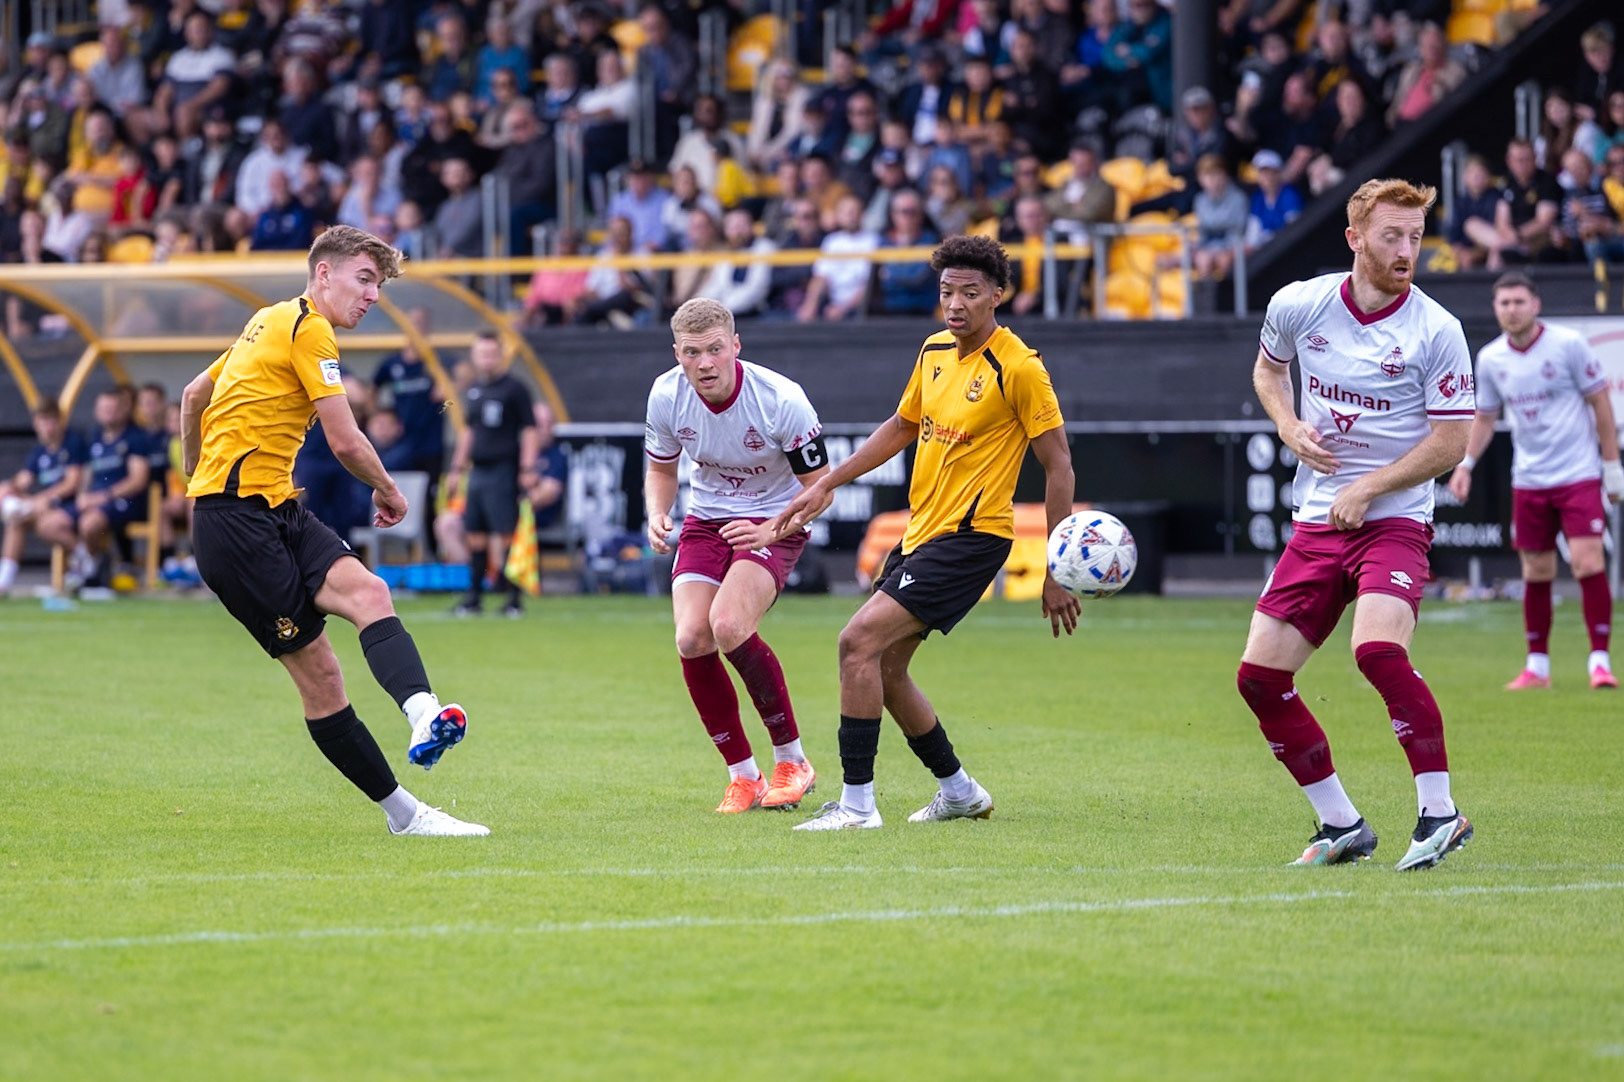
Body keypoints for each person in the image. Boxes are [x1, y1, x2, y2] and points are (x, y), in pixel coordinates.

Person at [180, 225, 486, 837]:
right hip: (235, 529)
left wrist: (194, 470)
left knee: (371, 592)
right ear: (324, 273)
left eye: (379, 285)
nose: (373, 295)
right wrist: (390, 490)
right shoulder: (308, 327)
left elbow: (193, 397)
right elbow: (345, 440)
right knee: (321, 677)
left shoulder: (269, 318)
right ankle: (406, 815)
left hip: (276, 507)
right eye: (365, 279)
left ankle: (425, 715)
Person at [774, 236, 1078, 830]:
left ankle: (858, 806)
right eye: (947, 291)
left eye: (970, 292)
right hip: (922, 534)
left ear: (997, 294)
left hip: (973, 538)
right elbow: (901, 426)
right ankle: (959, 791)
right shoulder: (935, 350)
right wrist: (827, 482)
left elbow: (1059, 465)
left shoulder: (1019, 368)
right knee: (884, 668)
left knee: (854, 642)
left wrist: (1057, 571)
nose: (956, 303)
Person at [1241, 178, 1475, 871]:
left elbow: (1452, 441)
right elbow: (1267, 371)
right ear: (1355, 239)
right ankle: (1340, 824)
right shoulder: (1299, 303)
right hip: (1318, 519)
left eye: (1416, 236)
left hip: (1395, 518)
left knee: (1376, 651)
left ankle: (1440, 811)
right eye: (1392, 236)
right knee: (1259, 679)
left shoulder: (1436, 329)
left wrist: (1370, 486)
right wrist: (1287, 425)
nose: (1407, 250)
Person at [644, 298, 827, 813]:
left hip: (778, 518)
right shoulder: (666, 395)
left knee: (728, 625)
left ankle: (793, 761)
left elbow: (821, 488)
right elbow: (661, 469)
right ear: (677, 353)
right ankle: (744, 776)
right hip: (706, 519)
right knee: (691, 637)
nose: (705, 363)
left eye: (715, 350)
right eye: (692, 352)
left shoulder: (781, 399)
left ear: (736, 347)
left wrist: (771, 529)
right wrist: (658, 513)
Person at [1448, 273, 1622, 690]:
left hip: (1578, 473)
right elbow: (1485, 418)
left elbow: (1599, 401)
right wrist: (1466, 463)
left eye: (1518, 301)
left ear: (1535, 304)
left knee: (1587, 562)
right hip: (1529, 478)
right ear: (1495, 309)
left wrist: (1611, 465)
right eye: (1503, 303)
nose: (1511, 309)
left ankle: (1599, 661)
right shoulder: (1490, 359)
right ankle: (1537, 667)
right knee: (1537, 569)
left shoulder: (1567, 346)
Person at [448, 330, 538, 617]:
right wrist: (457, 467)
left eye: (491, 353)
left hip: (504, 469)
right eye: (481, 353)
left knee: (505, 534)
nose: (486, 359)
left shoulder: (515, 389)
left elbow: (530, 430)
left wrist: (527, 467)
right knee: (474, 534)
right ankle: (473, 597)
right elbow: (469, 432)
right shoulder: (474, 390)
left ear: (500, 356)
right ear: (474, 357)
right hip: (477, 472)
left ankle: (513, 600)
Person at [0, 400, 84, 595]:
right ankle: (4, 580)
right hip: (46, 506)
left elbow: (72, 483)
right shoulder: (39, 451)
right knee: (15, 518)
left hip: (70, 504)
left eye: (51, 421)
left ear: (60, 421)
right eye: (43, 421)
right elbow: (23, 479)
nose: (47, 427)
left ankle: (84, 558)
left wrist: (40, 499)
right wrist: (8, 487)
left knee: (46, 525)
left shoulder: (72, 442)